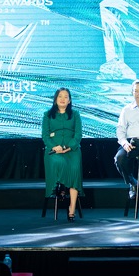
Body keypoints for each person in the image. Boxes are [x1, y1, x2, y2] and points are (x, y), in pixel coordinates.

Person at [42, 87, 83, 222]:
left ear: (69, 100)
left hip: (72, 150)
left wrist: (68, 147)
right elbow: (45, 136)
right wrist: (55, 147)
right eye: (60, 96)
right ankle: (60, 188)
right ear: (55, 99)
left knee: (74, 168)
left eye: (66, 97)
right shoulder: (47, 115)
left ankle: (72, 208)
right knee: (58, 162)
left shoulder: (75, 114)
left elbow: (78, 135)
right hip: (54, 150)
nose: (63, 99)